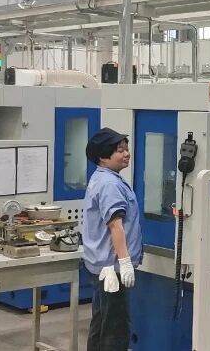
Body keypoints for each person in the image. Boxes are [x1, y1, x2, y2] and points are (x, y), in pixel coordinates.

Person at [83, 128, 142, 351]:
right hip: (112, 269)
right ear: (103, 156)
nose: (127, 154)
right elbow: (115, 225)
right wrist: (125, 263)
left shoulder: (102, 177)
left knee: (101, 323)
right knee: (115, 329)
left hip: (101, 265)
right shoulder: (110, 184)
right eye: (120, 150)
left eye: (126, 149)